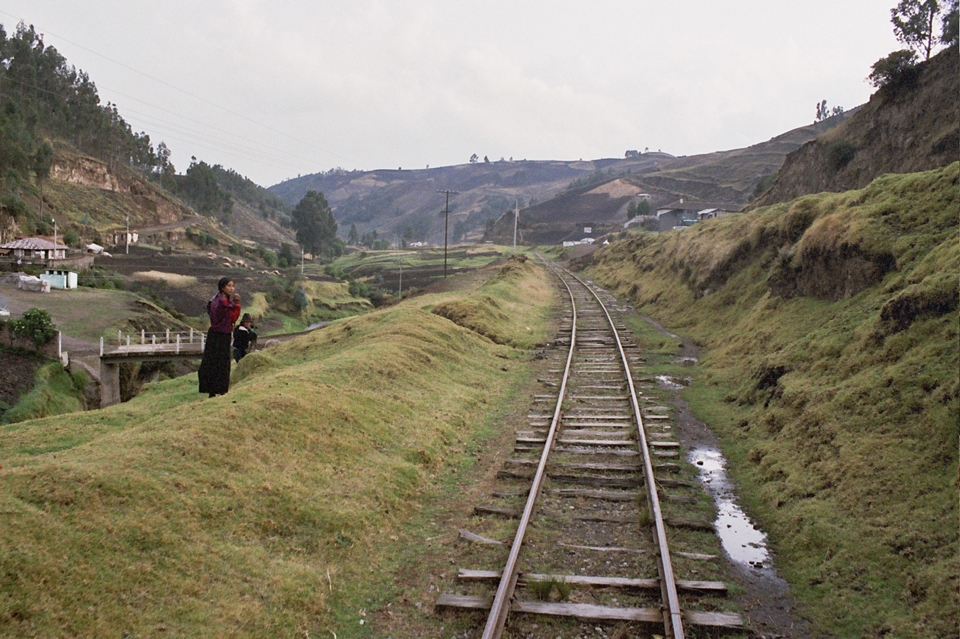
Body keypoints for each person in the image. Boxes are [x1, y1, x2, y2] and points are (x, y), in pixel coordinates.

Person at [198, 277, 237, 397]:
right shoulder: (217, 302)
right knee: (213, 363)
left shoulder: (226, 301)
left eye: (233, 286)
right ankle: (212, 391)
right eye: (229, 286)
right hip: (216, 335)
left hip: (225, 334)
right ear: (222, 287)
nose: (232, 288)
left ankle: (222, 389)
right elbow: (217, 317)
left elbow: (233, 318)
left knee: (224, 363)